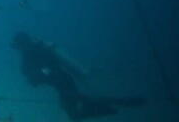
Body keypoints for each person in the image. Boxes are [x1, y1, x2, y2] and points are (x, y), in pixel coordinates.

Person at [12, 32, 145, 121]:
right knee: (76, 110)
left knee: (76, 109)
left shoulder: (32, 53)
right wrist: (39, 76)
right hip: (62, 81)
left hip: (62, 82)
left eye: (18, 46)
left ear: (21, 44)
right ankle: (109, 107)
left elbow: (43, 70)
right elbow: (43, 70)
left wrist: (38, 77)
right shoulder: (35, 50)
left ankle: (110, 106)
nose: (19, 49)